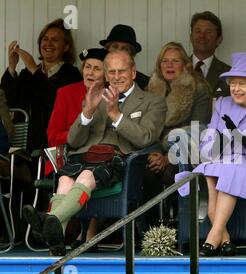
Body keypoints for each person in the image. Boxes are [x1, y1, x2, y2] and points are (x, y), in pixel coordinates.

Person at [22, 50, 167, 256]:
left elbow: (146, 137)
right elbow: (73, 140)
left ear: (133, 72)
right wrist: (87, 112)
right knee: (64, 180)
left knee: (86, 175)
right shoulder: (94, 97)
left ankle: (50, 219)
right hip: (85, 154)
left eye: (122, 71)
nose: (116, 77)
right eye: (112, 72)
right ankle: (56, 240)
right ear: (106, 75)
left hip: (119, 159)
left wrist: (116, 114)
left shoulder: (153, 101)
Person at [176, 52, 246, 256]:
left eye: (242, 84)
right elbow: (208, 141)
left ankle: (212, 238)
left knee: (228, 170)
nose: (235, 88)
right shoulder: (222, 104)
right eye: (233, 83)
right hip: (220, 161)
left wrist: (239, 138)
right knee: (210, 170)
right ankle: (225, 240)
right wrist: (217, 145)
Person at [140, 41, 212, 236]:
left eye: (175, 61)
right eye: (165, 61)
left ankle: (177, 231)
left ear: (186, 65)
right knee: (144, 172)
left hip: (188, 153)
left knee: (170, 172)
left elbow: (199, 129)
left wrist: (166, 155)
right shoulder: (151, 88)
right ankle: (151, 233)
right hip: (156, 150)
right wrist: (155, 152)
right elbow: (145, 127)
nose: (169, 65)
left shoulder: (199, 88)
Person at [45, 48, 108, 249]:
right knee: (66, 179)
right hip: (69, 156)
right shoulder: (66, 93)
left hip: (99, 160)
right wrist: (77, 135)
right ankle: (59, 232)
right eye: (87, 67)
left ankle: (50, 224)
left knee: (89, 174)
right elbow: (52, 135)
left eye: (96, 68)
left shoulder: (112, 96)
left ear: (106, 74)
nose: (90, 72)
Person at [1, 18, 82, 152]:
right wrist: (12, 66)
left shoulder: (72, 75)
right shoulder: (26, 74)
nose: (48, 44)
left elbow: (54, 100)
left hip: (53, 146)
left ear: (66, 47)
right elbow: (8, 102)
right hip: (23, 145)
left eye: (55, 40)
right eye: (45, 39)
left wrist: (34, 69)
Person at [190, 11, 231, 98]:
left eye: (208, 32)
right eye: (198, 31)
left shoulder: (229, 74)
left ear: (219, 39)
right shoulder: (176, 68)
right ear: (190, 37)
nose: (202, 36)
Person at [100, 24, 150, 89]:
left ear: (132, 54)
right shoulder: (92, 76)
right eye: (115, 47)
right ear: (107, 49)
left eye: (125, 48)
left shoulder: (144, 83)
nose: (119, 51)